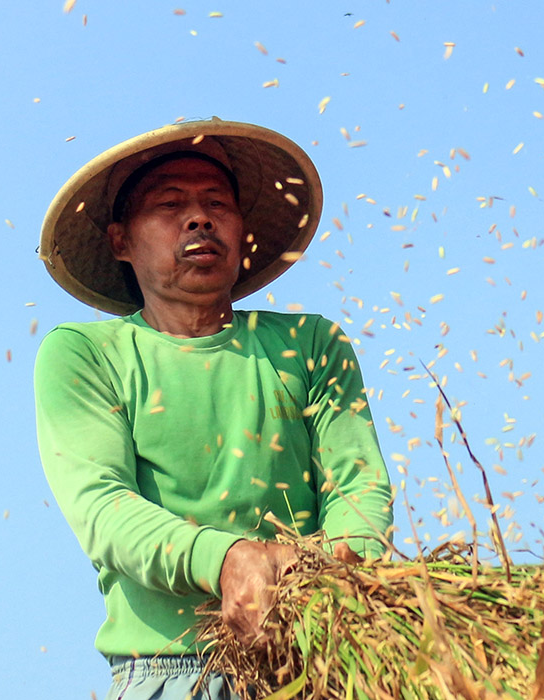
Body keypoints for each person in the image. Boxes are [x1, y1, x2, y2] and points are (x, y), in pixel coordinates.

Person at [35, 119, 394, 700]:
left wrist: (341, 566)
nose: (198, 218)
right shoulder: (86, 355)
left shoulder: (309, 345)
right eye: (170, 203)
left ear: (242, 230)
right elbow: (102, 507)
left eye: (216, 204)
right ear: (120, 240)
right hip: (169, 672)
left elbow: (357, 487)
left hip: (315, 658)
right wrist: (227, 560)